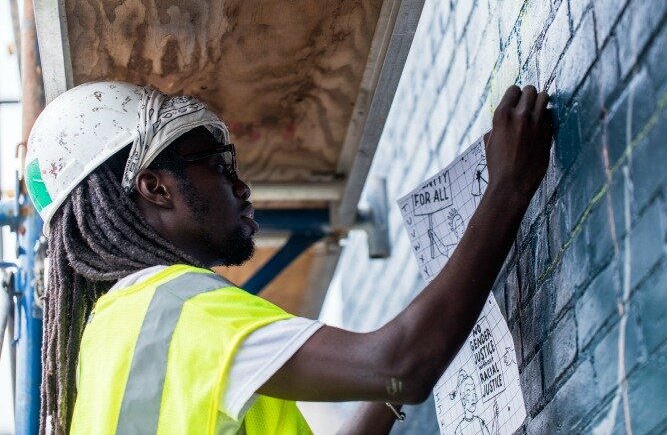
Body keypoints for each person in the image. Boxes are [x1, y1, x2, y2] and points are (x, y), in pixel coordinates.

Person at [24, 81, 553, 434]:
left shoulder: (98, 360)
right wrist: (506, 187)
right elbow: (400, 366)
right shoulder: (177, 310)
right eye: (216, 163)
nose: (242, 186)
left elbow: (395, 376)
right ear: (155, 187)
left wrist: (399, 376)